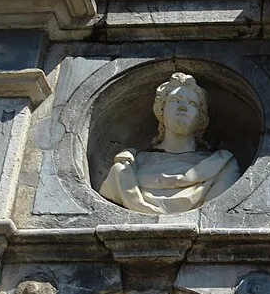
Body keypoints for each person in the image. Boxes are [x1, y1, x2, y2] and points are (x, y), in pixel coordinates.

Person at [98, 72, 241, 214]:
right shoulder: (127, 168)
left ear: (201, 117)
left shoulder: (221, 166)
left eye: (192, 104)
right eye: (175, 100)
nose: (182, 108)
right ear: (161, 110)